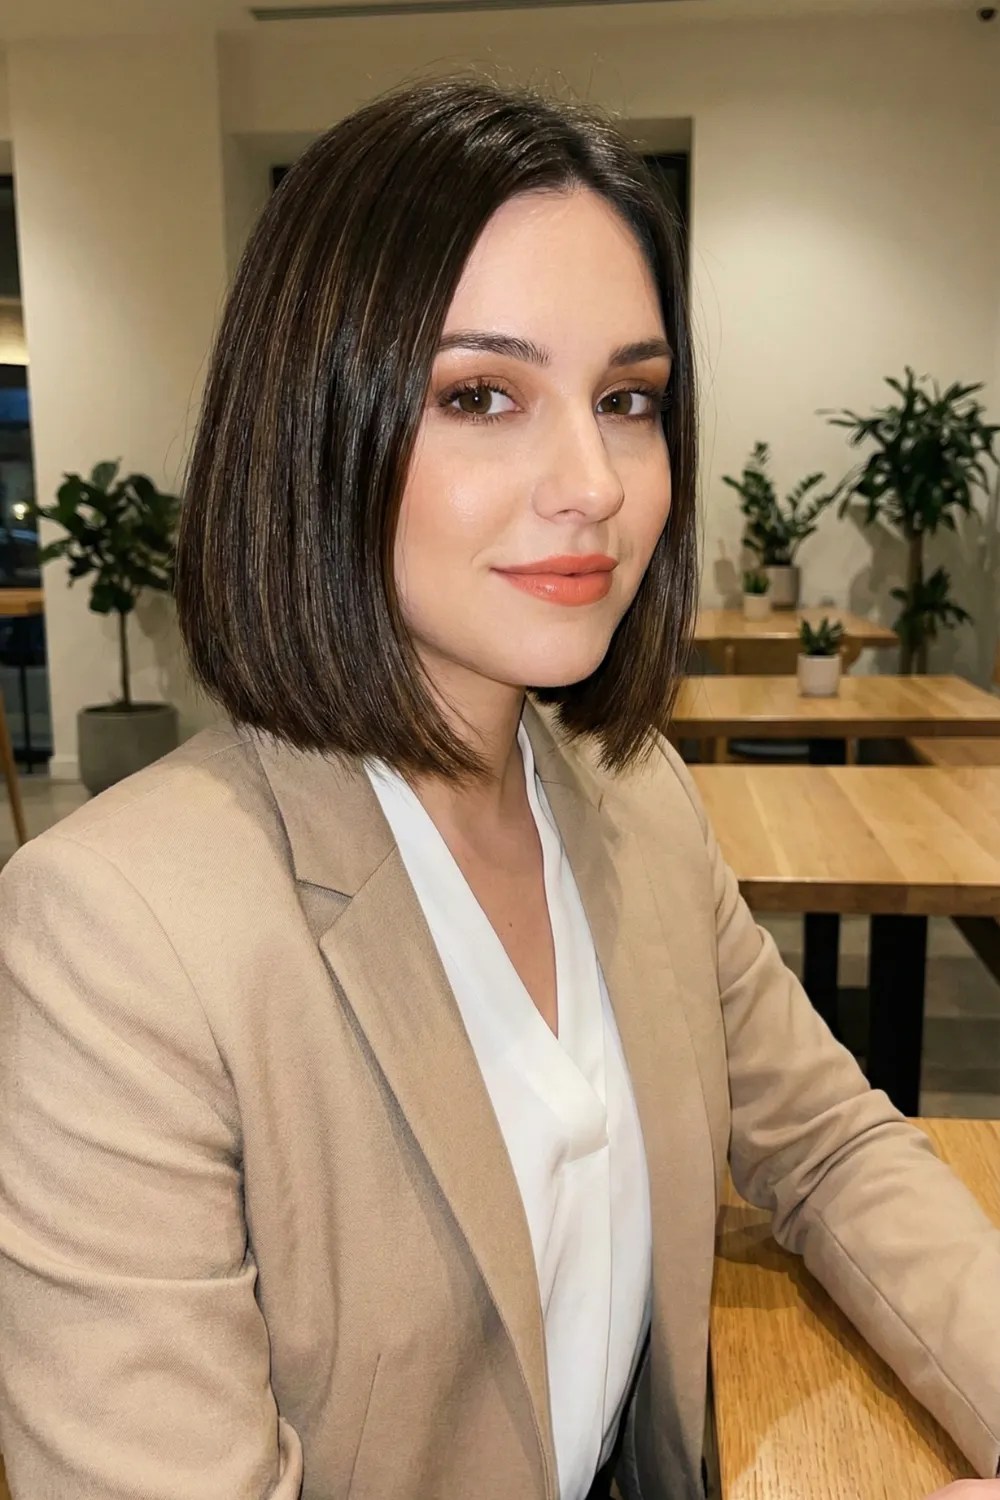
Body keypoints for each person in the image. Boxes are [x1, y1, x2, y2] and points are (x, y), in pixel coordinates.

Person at [0, 78, 996, 1500]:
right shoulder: (111, 944)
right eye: (481, 395)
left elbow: (831, 1143)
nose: (593, 479)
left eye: (628, 399)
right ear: (314, 432)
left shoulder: (631, 795)